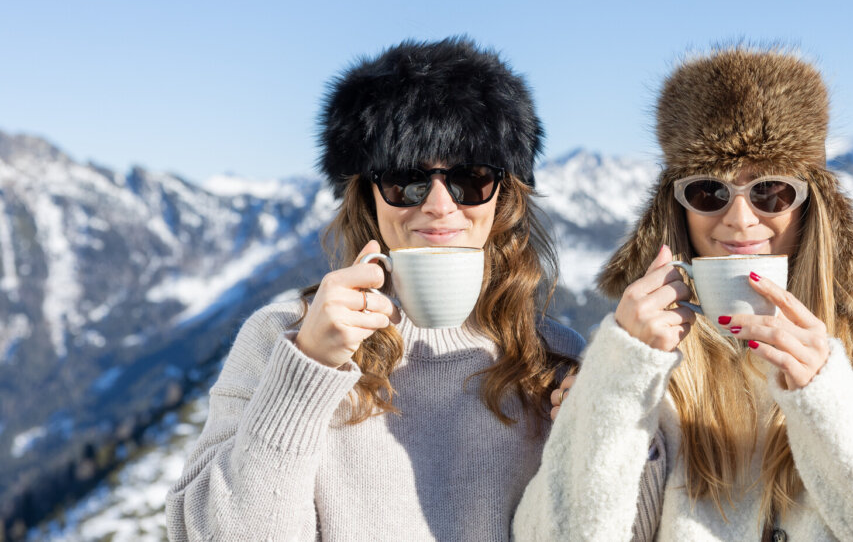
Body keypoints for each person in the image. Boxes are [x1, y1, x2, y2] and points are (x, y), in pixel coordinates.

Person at [514, 46, 853, 541]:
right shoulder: (640, 356)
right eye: (708, 192)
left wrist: (827, 395)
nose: (740, 221)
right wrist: (613, 385)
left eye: (771, 192)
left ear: (813, 205)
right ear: (678, 210)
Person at [166, 37, 584, 541]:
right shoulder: (281, 340)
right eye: (406, 179)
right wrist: (309, 367)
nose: (438, 205)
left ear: (504, 195)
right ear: (367, 194)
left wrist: (600, 436)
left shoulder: (554, 361)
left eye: (471, 178)